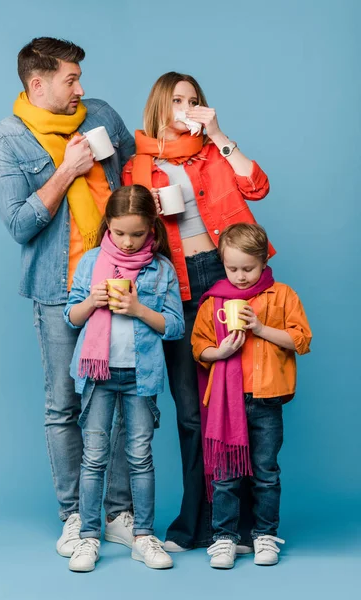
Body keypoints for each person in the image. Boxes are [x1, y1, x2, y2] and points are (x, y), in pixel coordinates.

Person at [0, 37, 136, 556]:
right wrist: (68, 170)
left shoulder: (101, 116)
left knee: (118, 396)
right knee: (64, 405)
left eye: (79, 78)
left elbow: (135, 180)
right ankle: (75, 515)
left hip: (120, 284)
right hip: (58, 291)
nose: (81, 89)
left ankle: (117, 512)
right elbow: (21, 224)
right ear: (38, 83)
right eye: (71, 79)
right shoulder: (6, 141)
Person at [123, 71, 273, 551]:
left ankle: (249, 526)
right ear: (159, 108)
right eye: (176, 100)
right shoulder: (136, 167)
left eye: (193, 100)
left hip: (228, 280)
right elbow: (128, 233)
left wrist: (220, 134)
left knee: (243, 402)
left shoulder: (213, 153)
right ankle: (200, 526)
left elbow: (257, 187)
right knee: (192, 411)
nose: (185, 107)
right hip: (175, 285)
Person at [64, 185, 184, 572]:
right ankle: (88, 537)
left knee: (140, 458)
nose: (128, 242)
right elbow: (72, 316)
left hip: (141, 377)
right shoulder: (91, 261)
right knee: (94, 457)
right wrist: (91, 302)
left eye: (138, 233)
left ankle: (144, 536)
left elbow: (176, 326)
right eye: (119, 233)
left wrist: (137, 309)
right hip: (97, 376)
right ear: (108, 227)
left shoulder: (162, 269)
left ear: (152, 228)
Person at [191, 223, 312, 569]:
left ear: (263, 262)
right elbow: (199, 347)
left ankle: (265, 535)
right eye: (233, 269)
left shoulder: (283, 296)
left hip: (266, 400)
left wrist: (259, 328)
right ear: (223, 264)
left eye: (248, 269)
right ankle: (224, 538)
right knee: (225, 473)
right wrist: (221, 352)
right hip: (225, 404)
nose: (241, 277)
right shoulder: (214, 301)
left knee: (266, 472)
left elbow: (301, 341)